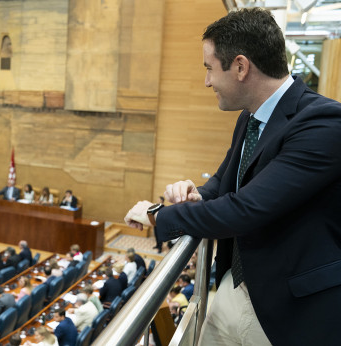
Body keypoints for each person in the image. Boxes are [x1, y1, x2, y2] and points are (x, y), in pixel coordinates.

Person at [123, 8, 341, 346]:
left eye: (210, 69)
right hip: (233, 285)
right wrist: (195, 193)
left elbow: (246, 209)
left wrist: (157, 215)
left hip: (289, 310)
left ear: (240, 67)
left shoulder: (324, 124)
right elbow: (223, 185)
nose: (207, 81)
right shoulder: (249, 117)